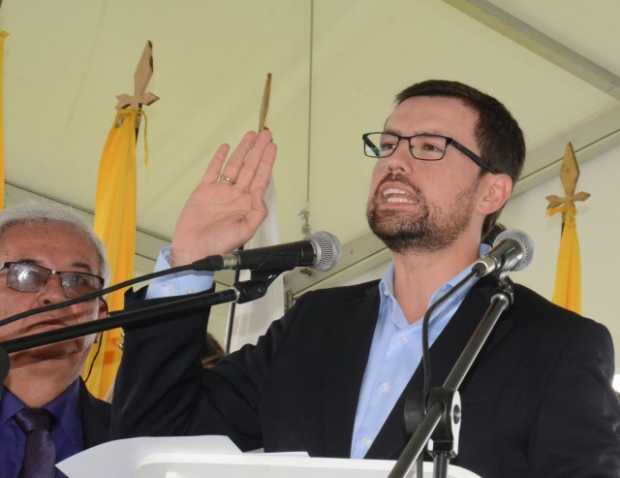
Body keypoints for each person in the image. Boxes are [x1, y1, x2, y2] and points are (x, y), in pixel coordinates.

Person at [112, 80, 620, 477]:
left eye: (428, 146)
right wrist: (190, 260)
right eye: (389, 144)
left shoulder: (557, 346)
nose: (395, 161)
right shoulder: (312, 326)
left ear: (492, 192)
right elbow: (157, 435)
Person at [0, 203, 110, 477]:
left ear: (102, 317)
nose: (55, 295)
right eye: (25, 275)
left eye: (78, 281)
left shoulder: (138, 439)